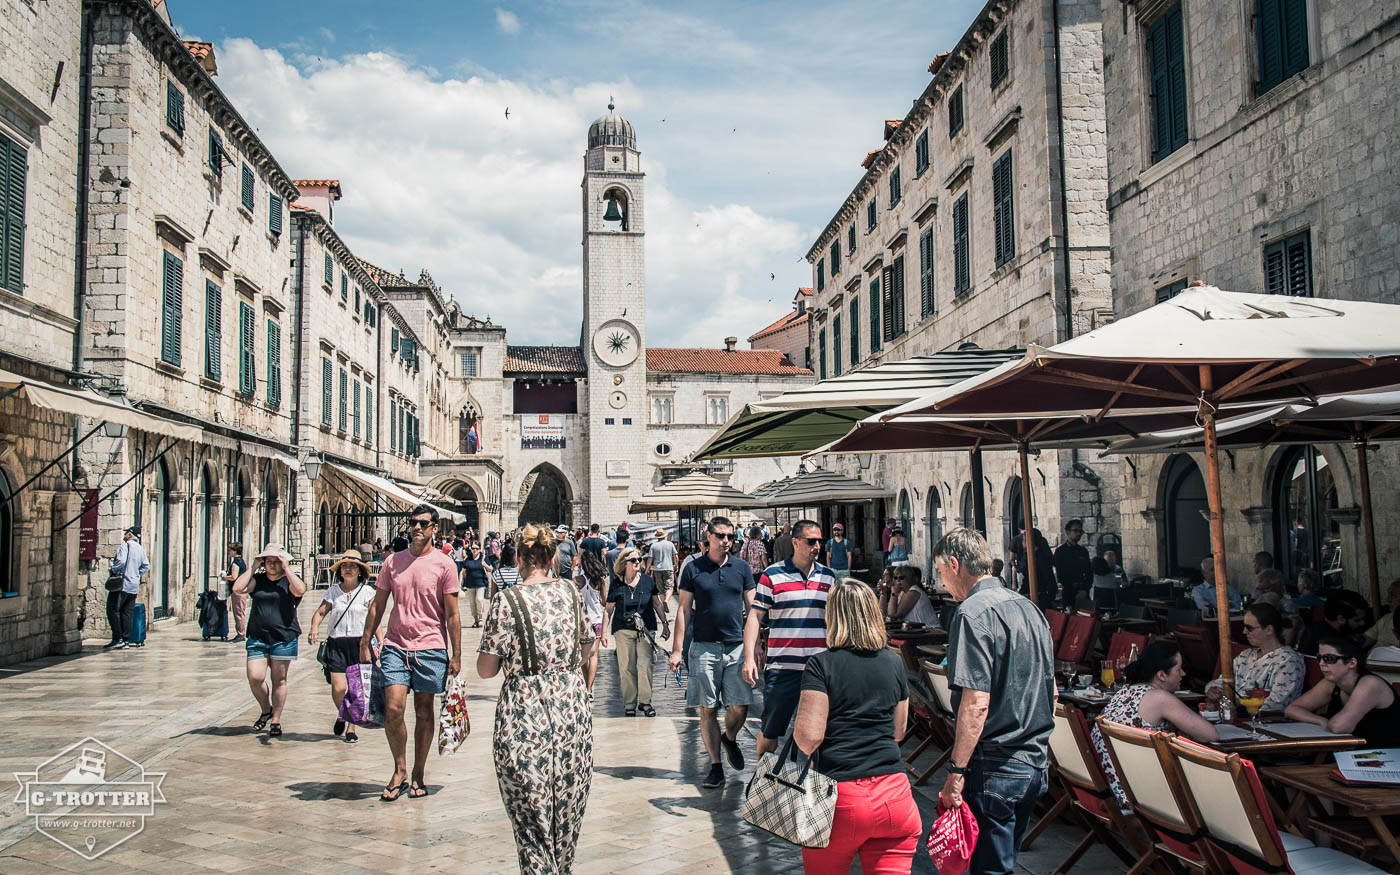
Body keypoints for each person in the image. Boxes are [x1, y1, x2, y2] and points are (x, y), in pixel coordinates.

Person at [934, 527, 1054, 875]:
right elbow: (1052, 689)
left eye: (942, 573)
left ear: (955, 565)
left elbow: (976, 702)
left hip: (995, 762)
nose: (942, 584)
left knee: (989, 868)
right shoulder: (1030, 608)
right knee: (1002, 862)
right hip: (1033, 760)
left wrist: (956, 771)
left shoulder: (972, 613)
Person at [477, 523, 595, 874]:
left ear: (517, 557)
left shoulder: (506, 601)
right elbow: (587, 646)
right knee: (567, 816)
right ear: (553, 556)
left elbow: (486, 669)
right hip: (572, 714)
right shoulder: (571, 593)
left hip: (524, 717)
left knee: (531, 822)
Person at [793, 579, 921, 874]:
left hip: (840, 797)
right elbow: (899, 731)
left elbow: (808, 738)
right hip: (895, 796)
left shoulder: (821, 665)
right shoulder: (894, 662)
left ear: (833, 616)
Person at [359, 505, 461, 802]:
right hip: (395, 645)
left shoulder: (445, 565)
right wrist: (366, 640)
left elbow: (453, 615)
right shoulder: (393, 562)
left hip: (430, 646)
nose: (416, 528)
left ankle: (418, 772)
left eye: (422, 524)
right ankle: (399, 768)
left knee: (423, 711)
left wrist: (456, 654)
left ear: (434, 529)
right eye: (413, 523)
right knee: (393, 708)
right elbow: (378, 604)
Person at [670, 518, 755, 789]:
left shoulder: (741, 567)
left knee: (740, 706)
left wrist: (757, 646)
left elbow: (753, 610)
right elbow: (683, 610)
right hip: (704, 646)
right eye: (720, 535)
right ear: (708, 536)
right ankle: (716, 766)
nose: (726, 540)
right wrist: (676, 650)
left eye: (730, 536)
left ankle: (729, 737)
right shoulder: (693, 568)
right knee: (707, 709)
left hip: (736, 646)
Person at [744, 519, 836, 759]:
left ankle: (814, 789)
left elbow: (837, 621)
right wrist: (749, 657)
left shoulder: (829, 578)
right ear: (795, 542)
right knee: (771, 729)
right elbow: (755, 616)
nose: (817, 546)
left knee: (821, 732)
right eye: (811, 541)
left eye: (820, 541)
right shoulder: (772, 575)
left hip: (820, 669)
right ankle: (762, 778)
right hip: (783, 667)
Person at [1091, 642, 1220, 809]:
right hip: (1134, 794)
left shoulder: (1126, 691)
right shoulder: (1159, 698)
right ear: (1161, 675)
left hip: (1107, 786)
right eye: (1178, 669)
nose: (1183, 674)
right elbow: (1210, 735)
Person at [232, 544, 306, 738]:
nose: (272, 565)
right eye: (269, 561)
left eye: (276, 561)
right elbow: (237, 588)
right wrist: (253, 567)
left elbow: (300, 590)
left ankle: (276, 720)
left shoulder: (288, 581)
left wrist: (287, 568)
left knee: (279, 679)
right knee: (255, 677)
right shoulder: (258, 580)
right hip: (258, 636)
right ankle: (266, 708)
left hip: (283, 637)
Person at [308, 549, 380, 744]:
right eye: (345, 567)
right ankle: (343, 713)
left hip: (360, 643)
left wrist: (379, 642)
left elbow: (375, 618)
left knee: (356, 689)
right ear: (340, 571)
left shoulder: (367, 592)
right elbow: (321, 612)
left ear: (360, 571)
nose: (348, 570)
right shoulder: (333, 591)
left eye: (353, 566)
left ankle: (350, 726)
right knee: (339, 688)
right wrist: (314, 628)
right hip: (337, 643)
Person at [1284, 635, 1400, 747]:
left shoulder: (1370, 684)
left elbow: (1340, 727)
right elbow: (1292, 709)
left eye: (1329, 659)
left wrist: (1327, 722)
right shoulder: (1331, 682)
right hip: (1351, 751)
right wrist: (1321, 721)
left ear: (1352, 663)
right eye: (1319, 658)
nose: (1321, 664)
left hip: (1384, 756)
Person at [604, 546, 669, 717]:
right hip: (623, 629)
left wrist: (665, 623)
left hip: (646, 629)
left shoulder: (647, 580)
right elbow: (609, 608)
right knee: (626, 667)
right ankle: (629, 703)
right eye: (633, 560)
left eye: (639, 559)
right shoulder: (616, 583)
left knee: (645, 665)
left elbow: (656, 603)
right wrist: (602, 631)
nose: (637, 563)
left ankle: (645, 702)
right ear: (624, 563)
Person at [1204, 603, 1305, 712]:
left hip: (1264, 721)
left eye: (1249, 628)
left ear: (1269, 630)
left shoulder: (1288, 661)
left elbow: (1278, 702)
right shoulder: (1244, 656)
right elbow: (1221, 681)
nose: (1244, 632)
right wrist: (1212, 690)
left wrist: (1238, 702)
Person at [106, 526, 148, 650]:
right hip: (133, 585)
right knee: (127, 612)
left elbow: (121, 561)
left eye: (126, 533)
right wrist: (136, 575)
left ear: (129, 535)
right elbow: (146, 566)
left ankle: (117, 637)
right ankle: (126, 640)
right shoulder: (140, 549)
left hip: (122, 584)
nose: (124, 535)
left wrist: (114, 570)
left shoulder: (125, 546)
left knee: (113, 609)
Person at [1297, 590, 1369, 656]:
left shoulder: (1312, 629)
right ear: (1341, 619)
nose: (1362, 623)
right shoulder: (1336, 644)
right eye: (1357, 620)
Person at [576, 549, 607, 691]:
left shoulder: (577, 580)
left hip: (582, 621)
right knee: (594, 655)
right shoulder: (600, 581)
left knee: (583, 655)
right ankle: (589, 689)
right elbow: (605, 601)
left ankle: (585, 684)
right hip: (597, 619)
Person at [1009, 526, 1055, 608]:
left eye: (1023, 540)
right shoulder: (1028, 555)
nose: (1022, 542)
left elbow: (1048, 578)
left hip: (1037, 596)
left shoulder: (1038, 557)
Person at [1052, 519, 1093, 606]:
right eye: (1075, 531)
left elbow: (1089, 573)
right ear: (1068, 532)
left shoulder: (1083, 551)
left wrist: (1085, 589)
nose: (1078, 534)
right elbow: (1061, 573)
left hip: (1083, 590)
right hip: (1068, 591)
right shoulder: (1060, 552)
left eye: (1080, 531)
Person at [460, 540, 492, 628]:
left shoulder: (483, 558)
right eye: (472, 548)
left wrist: (485, 565)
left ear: (479, 549)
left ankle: (481, 618)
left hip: (481, 582)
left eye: (476, 549)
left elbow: (491, 569)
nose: (474, 550)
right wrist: (460, 583)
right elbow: (463, 571)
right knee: (472, 602)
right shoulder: (468, 559)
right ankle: (476, 620)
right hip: (470, 583)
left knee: (479, 599)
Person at [221, 542, 249, 643]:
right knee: (240, 612)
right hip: (243, 589)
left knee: (238, 612)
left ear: (235, 551)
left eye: (230, 550)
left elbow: (234, 576)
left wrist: (224, 577)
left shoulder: (236, 562)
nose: (229, 552)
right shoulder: (241, 561)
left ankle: (240, 634)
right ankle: (241, 633)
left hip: (238, 591)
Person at [647, 528, 677, 616]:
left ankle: (663, 602)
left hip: (657, 569)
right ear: (664, 536)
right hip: (668, 567)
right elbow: (675, 556)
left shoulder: (653, 546)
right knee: (670, 586)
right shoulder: (670, 544)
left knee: (660, 588)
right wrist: (676, 565)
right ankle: (666, 601)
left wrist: (647, 568)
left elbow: (650, 558)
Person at [1362, 579, 1400, 649]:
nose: (1388, 599)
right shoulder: (1387, 618)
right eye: (1388, 594)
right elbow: (1366, 639)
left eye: (1393, 594)